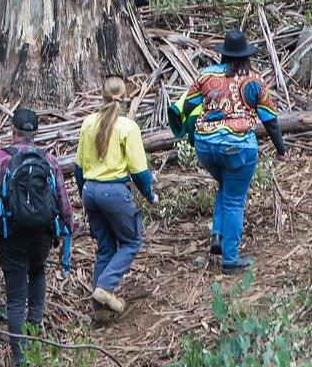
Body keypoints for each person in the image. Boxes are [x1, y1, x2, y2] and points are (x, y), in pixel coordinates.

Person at [170, 30, 286, 275]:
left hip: (206, 147)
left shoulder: (207, 75)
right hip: (238, 148)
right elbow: (270, 120)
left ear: (223, 55)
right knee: (235, 199)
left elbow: (188, 104)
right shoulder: (255, 81)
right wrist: (281, 149)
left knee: (225, 186)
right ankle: (230, 260)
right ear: (246, 56)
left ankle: (218, 236)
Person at [0, 107, 72, 367]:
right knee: (39, 273)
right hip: (42, 235)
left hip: (12, 235)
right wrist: (68, 230)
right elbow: (62, 198)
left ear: (13, 130)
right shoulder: (49, 160)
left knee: (16, 300)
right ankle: (37, 342)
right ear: (36, 133)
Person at [74, 75, 156, 314]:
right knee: (131, 241)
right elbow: (139, 171)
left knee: (106, 246)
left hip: (90, 190)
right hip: (114, 191)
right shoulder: (127, 127)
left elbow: (78, 168)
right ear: (125, 97)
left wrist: (84, 194)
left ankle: (99, 311)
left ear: (101, 95)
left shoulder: (88, 123)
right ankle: (104, 287)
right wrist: (149, 195)